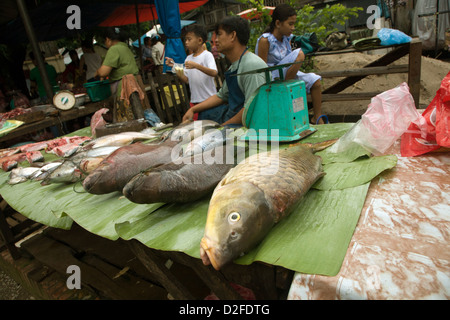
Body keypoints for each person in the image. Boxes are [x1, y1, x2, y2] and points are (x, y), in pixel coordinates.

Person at [182, 16, 267, 126]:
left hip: (249, 125)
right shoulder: (235, 65)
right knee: (204, 115)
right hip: (234, 115)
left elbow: (251, 109)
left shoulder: (251, 65)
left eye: (219, 34)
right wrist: (193, 110)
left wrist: (222, 128)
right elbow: (221, 96)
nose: (215, 40)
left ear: (232, 36)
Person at [256, 3, 325, 124]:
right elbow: (261, 68)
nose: (293, 27)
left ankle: (317, 118)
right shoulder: (265, 40)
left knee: (315, 81)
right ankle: (287, 89)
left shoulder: (286, 38)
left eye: (294, 24)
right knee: (300, 54)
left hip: (287, 73)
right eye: (290, 24)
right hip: (273, 76)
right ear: (278, 23)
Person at [166, 24, 218, 121]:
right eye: (185, 40)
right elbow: (186, 79)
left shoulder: (207, 55)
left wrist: (196, 66)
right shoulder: (188, 58)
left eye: (189, 39)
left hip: (209, 100)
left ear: (199, 40)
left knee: (212, 127)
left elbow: (214, 72)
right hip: (194, 101)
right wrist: (174, 66)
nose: (186, 42)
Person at [95, 27, 145, 122]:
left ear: (108, 40)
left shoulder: (114, 49)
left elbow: (103, 72)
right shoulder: (126, 48)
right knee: (137, 115)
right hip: (134, 83)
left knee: (126, 118)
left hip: (123, 86)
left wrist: (97, 72)